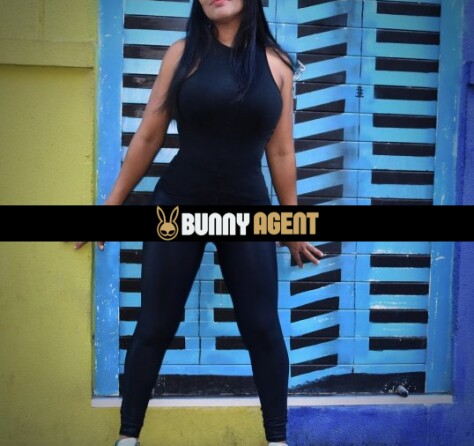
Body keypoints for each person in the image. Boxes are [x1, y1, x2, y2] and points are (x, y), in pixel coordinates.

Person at [76, 0, 324, 444]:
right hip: (179, 205)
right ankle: (128, 438)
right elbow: (149, 134)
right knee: (155, 324)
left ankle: (277, 440)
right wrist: (111, 206)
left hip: (248, 212)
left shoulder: (278, 66)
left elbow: (282, 150)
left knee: (263, 328)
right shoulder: (182, 53)